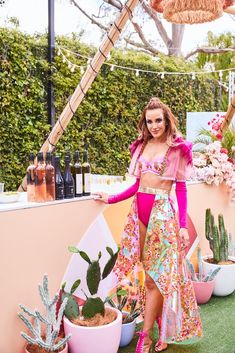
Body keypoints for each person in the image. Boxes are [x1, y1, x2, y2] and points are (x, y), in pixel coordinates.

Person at [94, 97, 203, 352]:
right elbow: (135, 186)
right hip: (139, 216)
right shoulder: (141, 147)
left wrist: (183, 225)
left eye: (158, 120)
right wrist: (110, 198)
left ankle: (146, 336)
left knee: (156, 279)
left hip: (163, 216)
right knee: (148, 277)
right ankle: (159, 331)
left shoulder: (177, 149)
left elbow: (182, 189)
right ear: (145, 122)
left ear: (167, 120)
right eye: (150, 121)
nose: (154, 125)